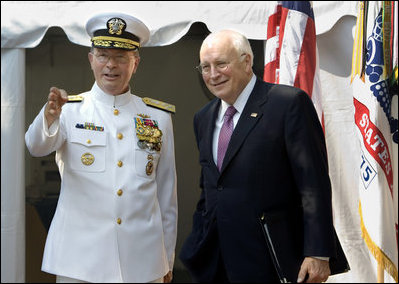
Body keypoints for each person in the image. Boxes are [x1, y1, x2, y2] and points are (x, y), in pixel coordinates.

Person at [179, 30, 349, 283]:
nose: (213, 75)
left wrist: (318, 252)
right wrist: (197, 243)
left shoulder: (287, 104)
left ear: (246, 61)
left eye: (221, 64)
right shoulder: (203, 118)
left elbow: (313, 185)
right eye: (205, 67)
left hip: (273, 259)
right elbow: (211, 187)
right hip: (217, 262)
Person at [25, 12, 177, 283]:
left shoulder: (158, 118)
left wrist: (167, 258)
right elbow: (36, 147)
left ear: (136, 63)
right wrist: (48, 117)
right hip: (80, 262)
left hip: (143, 263)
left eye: (121, 57)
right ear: (91, 59)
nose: (111, 65)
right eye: (104, 55)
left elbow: (167, 196)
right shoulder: (68, 109)